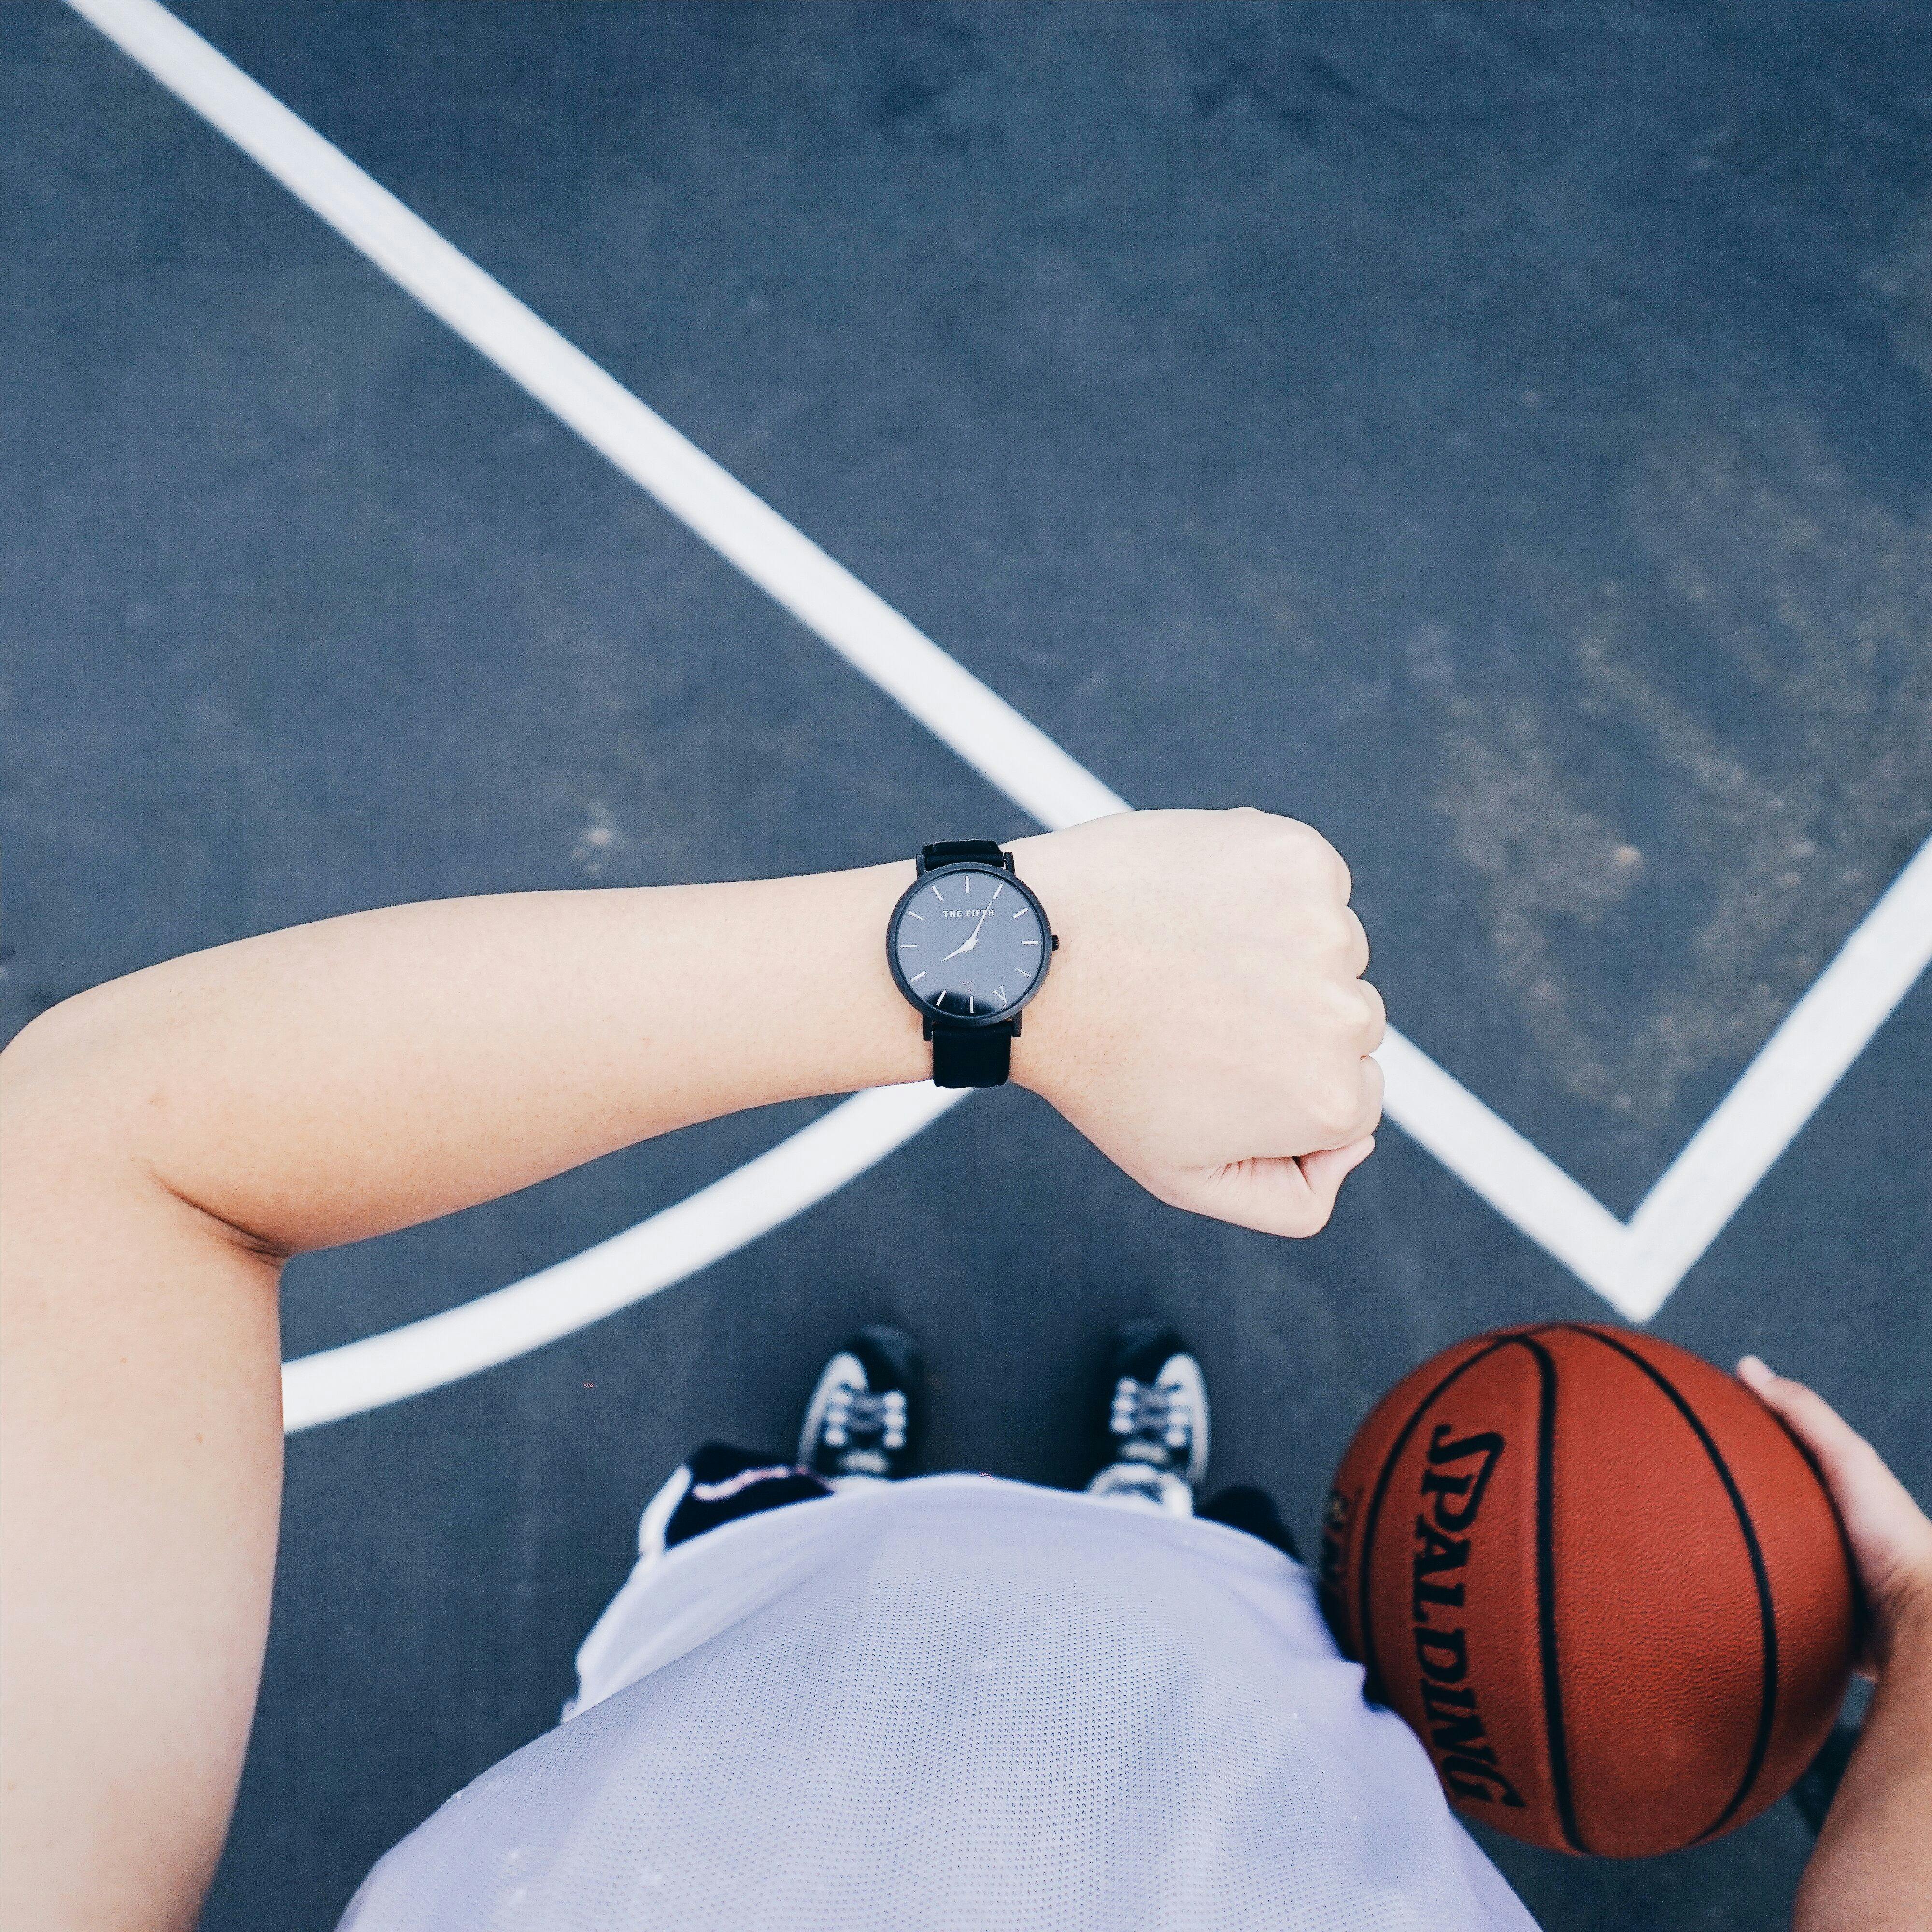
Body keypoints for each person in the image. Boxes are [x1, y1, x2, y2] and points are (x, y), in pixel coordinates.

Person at [3, 809, 1926, 1930]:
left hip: (763, 1638)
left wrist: (1011, 960)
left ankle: (861, 1510)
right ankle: (1142, 1526)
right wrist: (996, 956)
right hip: (1232, 1686)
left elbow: (101, 1164)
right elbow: (106, 1161)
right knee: (1195, 1605)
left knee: (786, 1589)